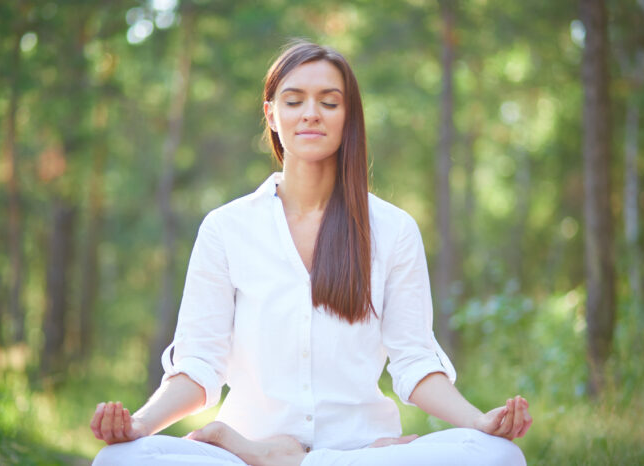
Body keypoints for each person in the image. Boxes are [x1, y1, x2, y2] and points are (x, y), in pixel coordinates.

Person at [90, 40, 532, 466]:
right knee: (118, 459)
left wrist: (479, 421)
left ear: (348, 116)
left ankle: (293, 462)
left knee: (499, 456)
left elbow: (414, 361)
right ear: (272, 114)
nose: (311, 114)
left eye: (329, 102)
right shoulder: (227, 228)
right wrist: (140, 424)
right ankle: (285, 457)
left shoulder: (393, 230)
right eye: (294, 100)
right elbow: (199, 363)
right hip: (244, 450)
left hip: (358, 446)